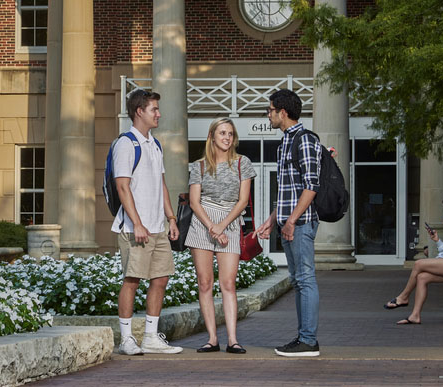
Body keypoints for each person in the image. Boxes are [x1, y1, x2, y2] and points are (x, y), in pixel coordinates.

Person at [112, 88, 183, 355]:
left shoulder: (155, 143)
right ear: (139, 111)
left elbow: (161, 184)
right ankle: (127, 338)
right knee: (132, 280)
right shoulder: (126, 143)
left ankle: (151, 337)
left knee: (161, 278)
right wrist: (137, 223)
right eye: (154, 109)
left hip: (158, 227)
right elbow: (122, 187)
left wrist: (171, 218)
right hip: (134, 229)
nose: (159, 114)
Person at [255, 88, 321, 357]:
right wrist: (273, 220)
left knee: (305, 280)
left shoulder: (304, 140)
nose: (268, 115)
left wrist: (292, 221)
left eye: (270, 110)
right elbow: (285, 189)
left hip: (301, 223)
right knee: (298, 281)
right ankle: (303, 337)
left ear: (283, 112)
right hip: (289, 223)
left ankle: (308, 341)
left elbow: (311, 186)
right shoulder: (285, 142)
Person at [186, 118, 255, 354]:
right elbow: (194, 202)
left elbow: (243, 200)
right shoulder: (199, 166)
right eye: (222, 133)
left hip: (230, 220)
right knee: (205, 283)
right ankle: (212, 339)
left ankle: (233, 340)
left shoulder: (242, 163)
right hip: (202, 223)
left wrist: (222, 226)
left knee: (228, 283)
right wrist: (212, 227)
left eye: (230, 134)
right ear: (212, 136)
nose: (227, 137)